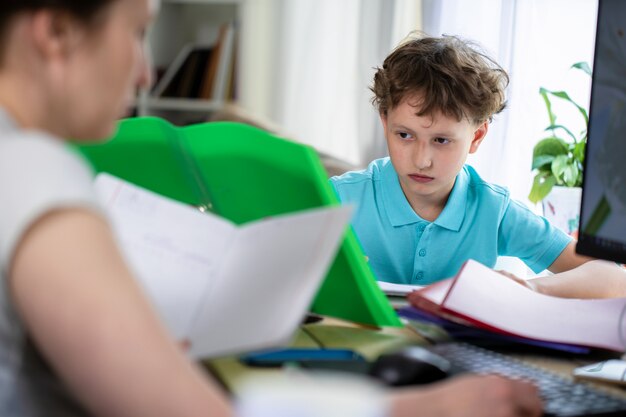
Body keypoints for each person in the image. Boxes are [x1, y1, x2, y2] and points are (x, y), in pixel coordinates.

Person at [0, 3, 542, 416]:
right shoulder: (32, 172)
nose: (145, 73)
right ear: (56, 33)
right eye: (137, 32)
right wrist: (424, 408)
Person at [330, 33, 626, 299]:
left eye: (442, 140)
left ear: (477, 136)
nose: (422, 159)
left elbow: (614, 278)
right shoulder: (339, 197)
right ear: (385, 123)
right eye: (404, 135)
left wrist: (530, 288)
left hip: (453, 357)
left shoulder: (494, 210)